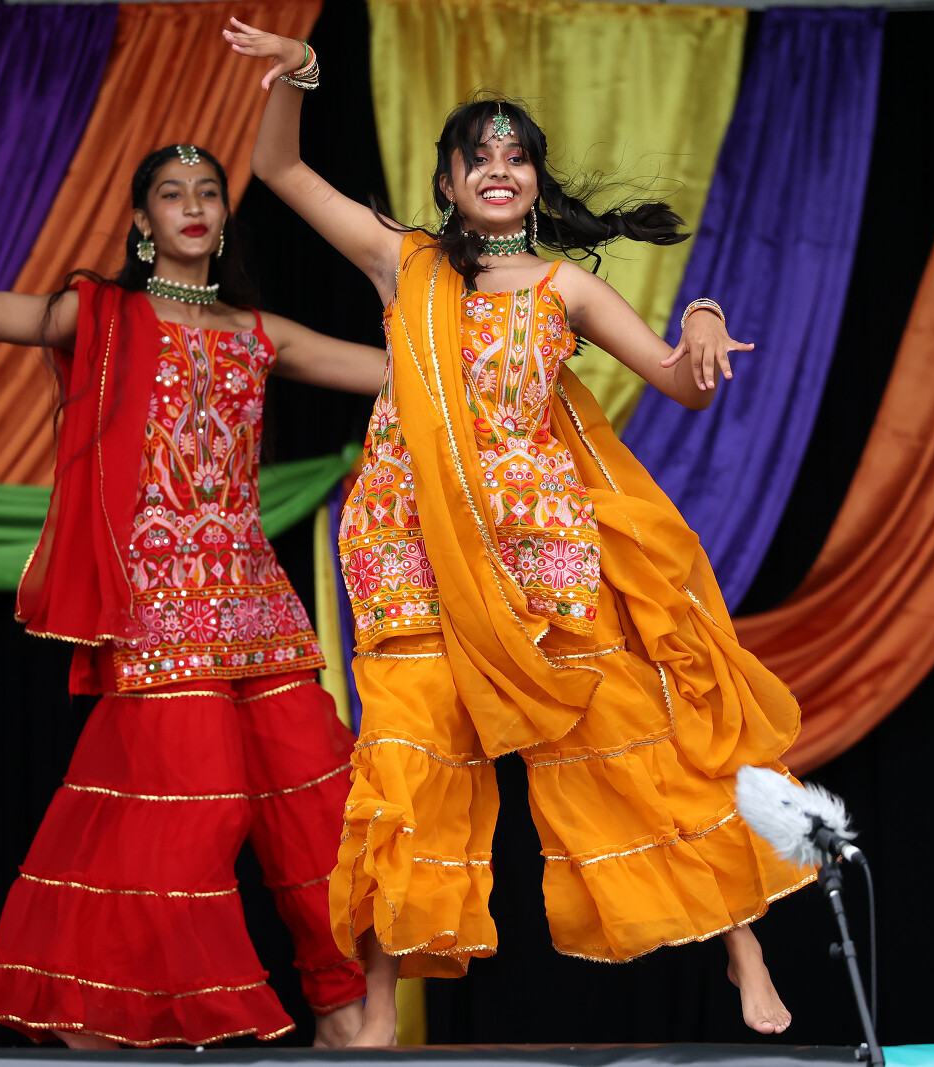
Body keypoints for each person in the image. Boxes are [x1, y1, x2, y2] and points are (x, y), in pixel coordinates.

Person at [225, 19, 816, 1047]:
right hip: (409, 544)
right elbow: (277, 168)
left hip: (537, 544)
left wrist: (704, 318)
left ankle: (741, 944)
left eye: (516, 157)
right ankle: (375, 1004)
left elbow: (680, 384)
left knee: (632, 736)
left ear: (534, 183)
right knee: (404, 760)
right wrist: (300, 75)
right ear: (447, 183)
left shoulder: (563, 287)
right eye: (478, 157)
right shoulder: (402, 261)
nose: (498, 169)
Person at [0, 133, 386, 1048]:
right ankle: (102, 1015)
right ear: (144, 222)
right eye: (172, 193)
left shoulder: (259, 332)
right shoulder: (104, 316)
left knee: (321, 807)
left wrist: (456, 298)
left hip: (260, 610)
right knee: (194, 811)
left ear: (224, 219)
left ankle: (345, 1011)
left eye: (208, 192)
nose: (193, 205)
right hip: (159, 613)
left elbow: (400, 373)